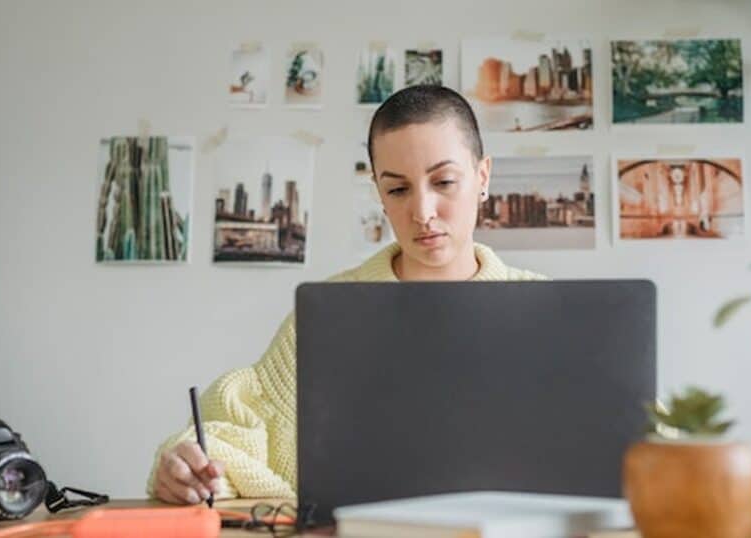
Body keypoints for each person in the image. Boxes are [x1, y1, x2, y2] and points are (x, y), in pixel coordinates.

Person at [148, 85, 545, 505]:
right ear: (379, 194)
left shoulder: (543, 310)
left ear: (482, 177)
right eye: (398, 190)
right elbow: (235, 434)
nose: (423, 212)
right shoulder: (330, 315)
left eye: (444, 182)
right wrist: (188, 466)